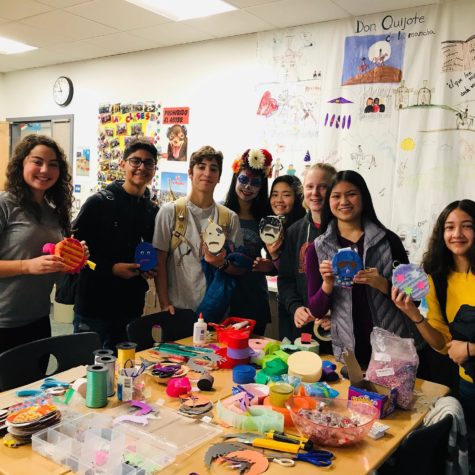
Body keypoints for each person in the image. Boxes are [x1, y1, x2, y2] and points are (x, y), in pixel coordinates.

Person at [306, 170, 424, 366]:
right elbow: (316, 310)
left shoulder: (389, 241)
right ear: (329, 202)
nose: (344, 201)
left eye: (351, 194)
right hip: (349, 350)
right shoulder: (316, 249)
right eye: (336, 196)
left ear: (364, 197)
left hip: (392, 348)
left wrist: (383, 284)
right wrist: (327, 284)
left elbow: (416, 299)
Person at [392, 200, 475, 431]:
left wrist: (469, 349)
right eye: (449, 227)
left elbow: (460, 349)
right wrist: (413, 313)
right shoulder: (437, 278)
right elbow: (442, 344)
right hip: (468, 384)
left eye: (467, 226)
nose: (457, 234)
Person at [73, 138, 159, 349]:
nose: (142, 167)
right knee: (88, 373)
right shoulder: (98, 204)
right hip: (95, 307)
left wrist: (149, 268)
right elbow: (74, 256)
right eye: (135, 161)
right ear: (123, 164)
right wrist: (110, 268)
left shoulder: (152, 211)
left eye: (149, 163)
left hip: (131, 307)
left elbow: (149, 250)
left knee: (126, 371)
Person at [0, 134, 73, 353]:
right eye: (37, 162)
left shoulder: (53, 212)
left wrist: (72, 260)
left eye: (53, 165)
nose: (45, 170)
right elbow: (33, 265)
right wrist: (27, 266)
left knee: (34, 385)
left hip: (38, 320)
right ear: (21, 164)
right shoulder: (5, 204)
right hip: (3, 322)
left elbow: (54, 273)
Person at [153, 145, 242, 317]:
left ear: (219, 177)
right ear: (190, 173)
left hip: (217, 313)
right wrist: (164, 304)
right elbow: (160, 262)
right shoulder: (169, 212)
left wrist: (220, 263)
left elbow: (239, 269)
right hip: (177, 310)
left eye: (213, 169)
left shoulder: (229, 218)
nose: (207, 173)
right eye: (201, 167)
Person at [277, 163, 336, 344]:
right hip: (302, 328)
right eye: (310, 186)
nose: (315, 193)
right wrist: (295, 308)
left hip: (335, 328)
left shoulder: (345, 231)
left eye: (323, 187)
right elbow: (286, 279)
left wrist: (338, 316)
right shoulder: (295, 232)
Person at [224, 148, 272, 335]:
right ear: (235, 179)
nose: (247, 187)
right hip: (224, 293)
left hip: (254, 296)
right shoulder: (220, 212)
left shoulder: (266, 218)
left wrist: (268, 264)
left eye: (255, 183)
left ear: (261, 187)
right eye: (243, 180)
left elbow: (275, 261)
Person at [264, 175, 305, 270]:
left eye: (286, 195)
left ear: (297, 197)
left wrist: (275, 256)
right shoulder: (271, 226)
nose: (279, 200)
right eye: (275, 195)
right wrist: (270, 263)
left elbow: (295, 273)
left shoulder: (303, 228)